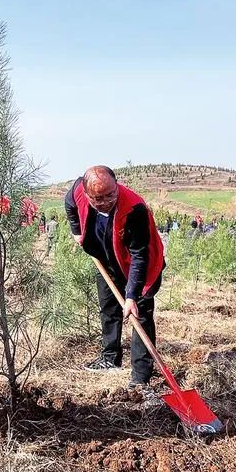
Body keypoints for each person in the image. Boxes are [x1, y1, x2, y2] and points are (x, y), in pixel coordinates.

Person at [65, 166, 165, 397]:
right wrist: (76, 231)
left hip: (139, 265)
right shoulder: (77, 190)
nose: (106, 201)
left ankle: (140, 377)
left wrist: (131, 297)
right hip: (106, 259)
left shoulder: (134, 208)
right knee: (108, 308)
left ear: (117, 186)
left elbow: (140, 255)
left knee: (139, 314)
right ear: (87, 193)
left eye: (111, 195)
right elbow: (70, 204)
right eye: (98, 198)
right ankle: (110, 358)